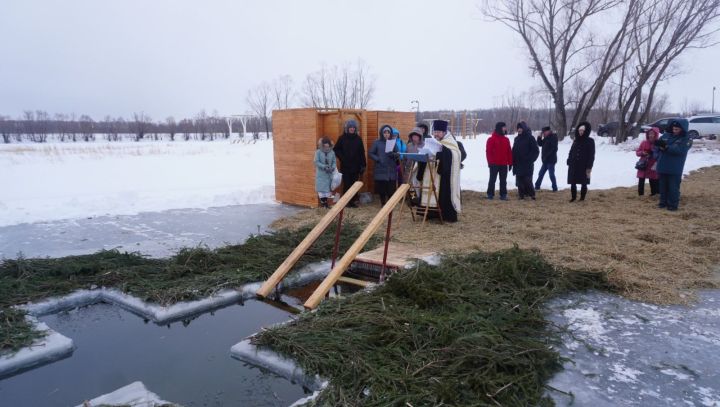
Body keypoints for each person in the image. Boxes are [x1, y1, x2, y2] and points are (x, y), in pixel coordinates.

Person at [420, 119, 462, 222]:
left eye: (438, 132)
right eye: (435, 132)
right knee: (432, 191)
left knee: (443, 193)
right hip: (432, 173)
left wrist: (439, 154)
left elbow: (455, 155)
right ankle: (432, 214)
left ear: (444, 132)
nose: (436, 134)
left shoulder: (450, 142)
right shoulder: (432, 141)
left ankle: (445, 215)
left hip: (445, 174)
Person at [655, 119, 692, 211]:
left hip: (675, 168)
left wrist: (666, 147)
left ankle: (672, 205)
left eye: (677, 129)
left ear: (682, 129)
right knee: (662, 187)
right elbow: (658, 145)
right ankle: (662, 203)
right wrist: (658, 146)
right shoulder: (666, 135)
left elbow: (680, 151)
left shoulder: (686, 139)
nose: (674, 131)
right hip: (662, 166)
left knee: (673, 188)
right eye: (673, 129)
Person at [333, 119, 366, 208]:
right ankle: (346, 202)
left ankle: (353, 202)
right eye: (350, 127)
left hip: (356, 166)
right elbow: (336, 149)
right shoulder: (342, 138)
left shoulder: (358, 139)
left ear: (355, 129)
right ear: (347, 128)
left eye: (353, 127)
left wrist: (363, 165)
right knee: (347, 184)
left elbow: (362, 152)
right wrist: (342, 158)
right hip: (346, 166)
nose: (352, 129)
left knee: (354, 185)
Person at [369, 125, 398, 205]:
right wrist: (378, 159)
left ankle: (390, 204)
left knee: (390, 189)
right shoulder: (377, 143)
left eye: (388, 133)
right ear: (382, 133)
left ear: (390, 134)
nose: (386, 134)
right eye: (385, 133)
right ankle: (383, 204)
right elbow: (370, 153)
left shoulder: (393, 142)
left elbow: (397, 154)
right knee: (382, 189)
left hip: (391, 169)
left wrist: (393, 154)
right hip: (380, 168)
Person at [566, 121, 595, 202]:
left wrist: (589, 166)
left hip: (584, 165)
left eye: (582, 131)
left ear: (585, 131)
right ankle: (573, 197)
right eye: (579, 131)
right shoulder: (576, 140)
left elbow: (591, 155)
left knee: (584, 182)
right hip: (574, 164)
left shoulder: (590, 141)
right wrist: (568, 160)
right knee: (572, 181)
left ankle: (582, 198)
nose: (580, 132)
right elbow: (571, 151)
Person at [512, 121, 540, 200]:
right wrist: (512, 160)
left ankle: (532, 194)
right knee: (519, 180)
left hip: (527, 164)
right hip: (518, 163)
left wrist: (530, 159)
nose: (519, 130)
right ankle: (521, 195)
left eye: (520, 128)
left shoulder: (530, 138)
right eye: (518, 128)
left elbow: (536, 151)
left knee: (527, 180)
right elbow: (514, 150)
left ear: (524, 128)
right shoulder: (516, 139)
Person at [485, 121, 512, 200]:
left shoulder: (506, 139)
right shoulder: (491, 139)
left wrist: (510, 163)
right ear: (500, 128)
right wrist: (490, 162)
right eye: (504, 127)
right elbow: (488, 152)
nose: (505, 128)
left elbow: (509, 152)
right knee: (492, 180)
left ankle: (503, 194)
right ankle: (490, 194)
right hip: (494, 164)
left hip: (504, 164)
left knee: (503, 180)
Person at [636, 127, 660, 196]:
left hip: (653, 164)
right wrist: (642, 153)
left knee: (653, 179)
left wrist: (653, 153)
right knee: (641, 179)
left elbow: (660, 154)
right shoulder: (644, 142)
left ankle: (654, 194)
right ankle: (640, 195)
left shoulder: (658, 143)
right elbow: (637, 152)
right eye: (649, 134)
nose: (651, 135)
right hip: (643, 164)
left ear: (656, 134)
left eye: (652, 134)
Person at [314, 137, 336, 208]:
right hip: (321, 174)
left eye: (328, 146)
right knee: (321, 190)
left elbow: (334, 162)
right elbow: (316, 162)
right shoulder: (318, 152)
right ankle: (324, 204)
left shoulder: (332, 152)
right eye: (325, 146)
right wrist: (324, 166)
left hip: (329, 174)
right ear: (322, 145)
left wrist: (332, 167)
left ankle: (326, 204)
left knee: (327, 190)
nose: (327, 148)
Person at [535, 126, 558, 191]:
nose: (544, 133)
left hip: (551, 160)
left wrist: (547, 156)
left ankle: (555, 188)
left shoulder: (553, 137)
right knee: (541, 173)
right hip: (545, 160)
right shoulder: (546, 137)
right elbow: (540, 144)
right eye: (543, 132)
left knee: (551, 174)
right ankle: (537, 186)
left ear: (548, 131)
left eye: (544, 132)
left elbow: (554, 148)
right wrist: (539, 137)